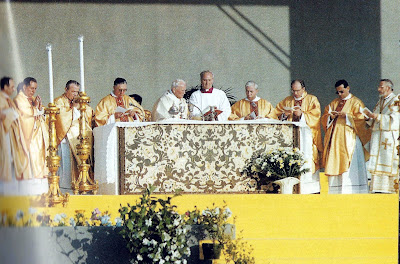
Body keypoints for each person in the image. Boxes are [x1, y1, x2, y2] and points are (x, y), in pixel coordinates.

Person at [272, 79, 323, 193]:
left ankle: (310, 188)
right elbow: (276, 113)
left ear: (303, 89)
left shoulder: (312, 99)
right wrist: (284, 115)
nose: (295, 93)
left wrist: (302, 115)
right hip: (291, 135)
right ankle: (292, 186)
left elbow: (316, 115)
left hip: (306, 135)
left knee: (307, 158)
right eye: (293, 91)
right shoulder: (287, 100)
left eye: (298, 90)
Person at [321, 79, 371, 194]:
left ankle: (353, 190)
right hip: (334, 140)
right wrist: (331, 117)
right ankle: (336, 191)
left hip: (350, 139)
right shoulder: (334, 103)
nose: (339, 94)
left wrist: (347, 116)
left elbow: (361, 119)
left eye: (341, 91)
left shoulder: (356, 102)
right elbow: (325, 118)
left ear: (348, 88)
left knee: (350, 164)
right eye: (337, 92)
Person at [54, 80, 94, 192]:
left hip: (79, 138)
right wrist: (74, 108)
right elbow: (60, 118)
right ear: (66, 90)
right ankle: (65, 188)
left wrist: (82, 107)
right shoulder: (59, 101)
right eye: (73, 92)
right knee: (66, 165)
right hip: (66, 139)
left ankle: (81, 184)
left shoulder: (79, 101)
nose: (75, 94)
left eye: (77, 92)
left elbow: (89, 113)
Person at [365, 79, 399, 193]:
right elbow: (376, 118)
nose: (378, 89)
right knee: (378, 162)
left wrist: (376, 116)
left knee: (387, 162)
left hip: (388, 138)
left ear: (388, 88)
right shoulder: (381, 100)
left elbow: (395, 121)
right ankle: (378, 189)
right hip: (378, 137)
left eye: (381, 87)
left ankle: (389, 189)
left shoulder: (396, 100)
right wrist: (369, 118)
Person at [14, 77, 49, 180]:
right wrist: (36, 109)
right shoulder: (18, 99)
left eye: (35, 89)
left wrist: (39, 108)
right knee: (32, 155)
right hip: (27, 133)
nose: (33, 91)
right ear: (24, 87)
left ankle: (41, 174)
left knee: (40, 154)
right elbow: (26, 114)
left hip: (37, 133)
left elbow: (41, 111)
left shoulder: (33, 99)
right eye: (31, 88)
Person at [0, 77, 30, 194]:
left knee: (12, 159)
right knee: (5, 159)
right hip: (4, 133)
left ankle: (11, 189)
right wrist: (11, 114)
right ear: (5, 87)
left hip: (11, 134)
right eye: (11, 87)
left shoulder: (8, 99)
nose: (13, 89)